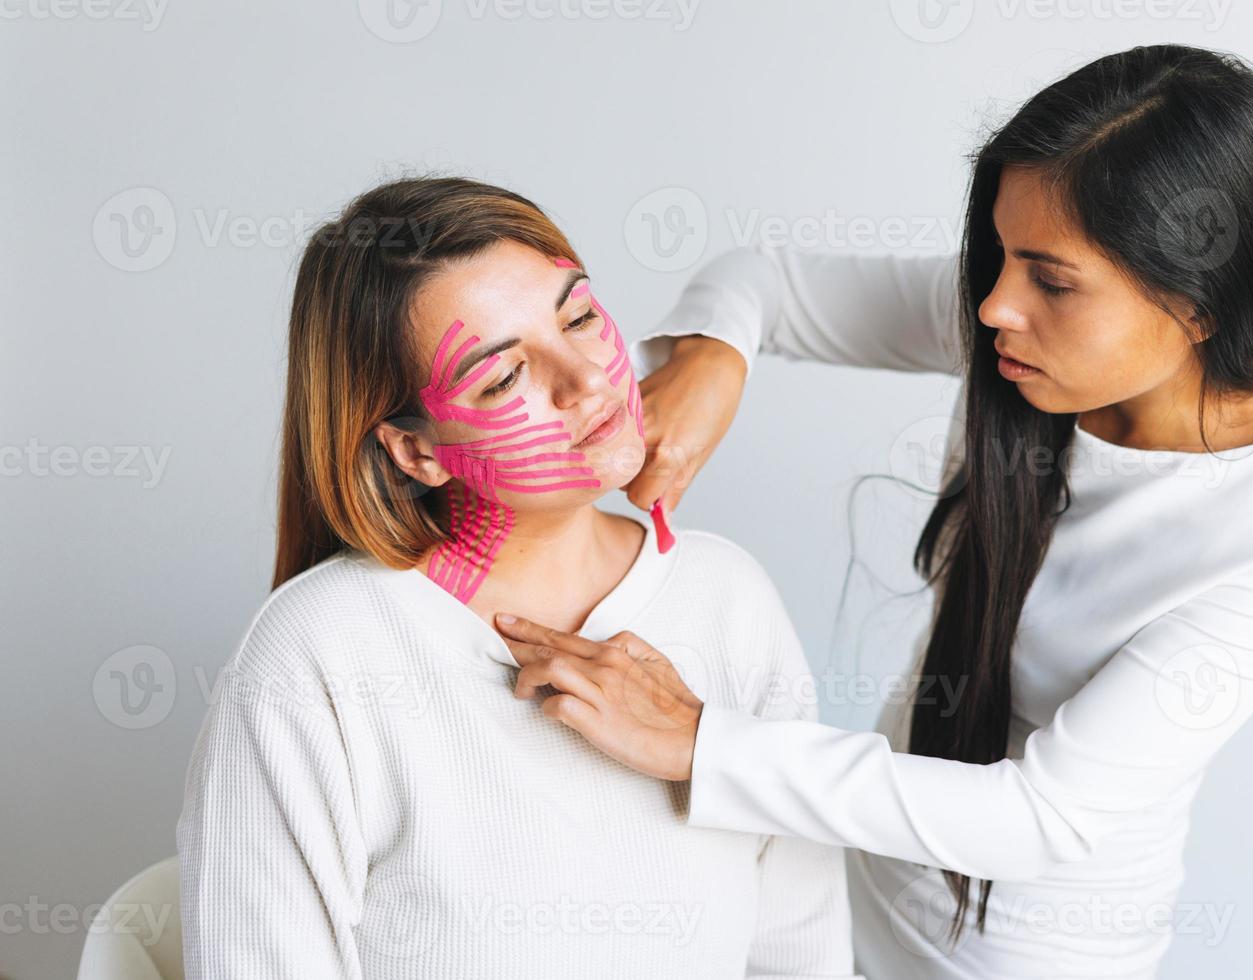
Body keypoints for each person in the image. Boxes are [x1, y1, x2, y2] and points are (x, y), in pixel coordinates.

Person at [492, 45, 1253, 978]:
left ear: (1195, 308)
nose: (993, 304)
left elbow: (1043, 816)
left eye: (1051, 279)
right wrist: (716, 357)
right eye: (999, 253)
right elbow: (768, 286)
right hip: (845, 891)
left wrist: (699, 741)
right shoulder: (1034, 332)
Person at [175, 177, 858, 980]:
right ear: (416, 450)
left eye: (577, 317)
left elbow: (799, 953)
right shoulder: (317, 655)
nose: (588, 380)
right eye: (502, 379)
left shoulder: (728, 597)